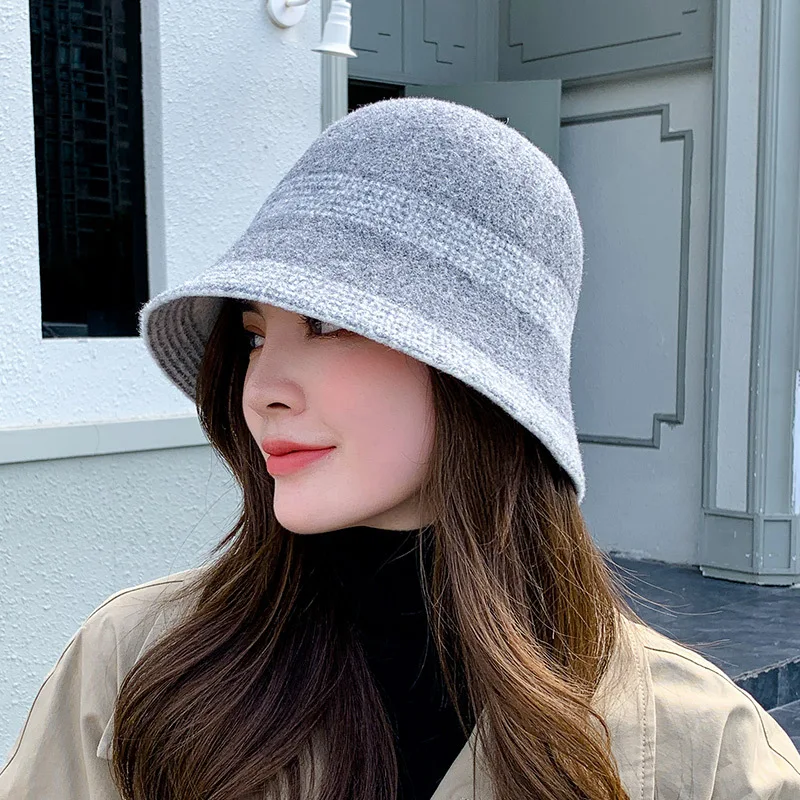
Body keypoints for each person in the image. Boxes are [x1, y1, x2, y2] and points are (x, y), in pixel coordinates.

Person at [2, 97, 798, 800]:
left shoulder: (700, 748)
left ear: (481, 373)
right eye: (254, 335)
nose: (261, 388)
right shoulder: (134, 664)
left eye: (325, 323)